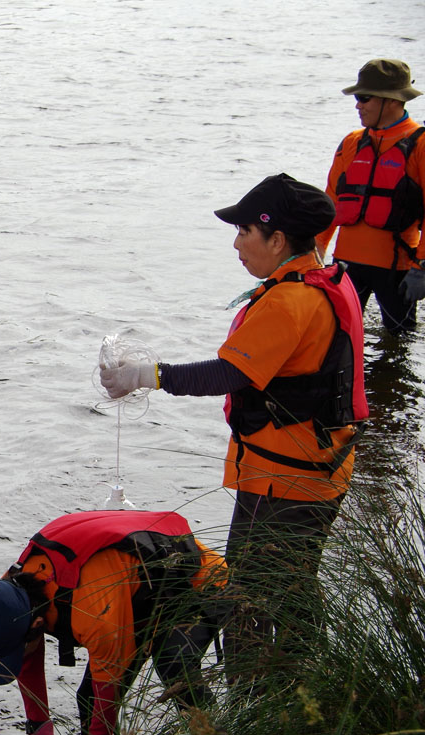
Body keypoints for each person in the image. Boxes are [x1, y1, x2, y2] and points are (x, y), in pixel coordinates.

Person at [99, 174, 367, 683]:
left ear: (278, 239)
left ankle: (254, 705)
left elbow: (230, 373)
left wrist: (145, 376)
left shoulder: (292, 302)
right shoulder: (325, 280)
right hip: (314, 471)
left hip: (285, 481)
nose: (237, 241)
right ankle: (309, 690)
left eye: (245, 230)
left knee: (249, 597)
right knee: (291, 589)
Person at [0, 510, 227, 735]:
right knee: (88, 698)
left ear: (38, 624)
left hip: (196, 584)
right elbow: (27, 652)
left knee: (175, 668)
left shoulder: (92, 610)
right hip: (133, 590)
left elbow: (109, 682)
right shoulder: (8, 590)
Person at [316, 58, 425, 334]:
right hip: (345, 267)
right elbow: (330, 201)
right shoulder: (351, 143)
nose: (357, 105)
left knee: (398, 344)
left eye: (365, 98)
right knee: (334, 338)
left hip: (397, 270)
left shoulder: (420, 145)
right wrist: (316, 248)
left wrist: (421, 267)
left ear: (392, 101)